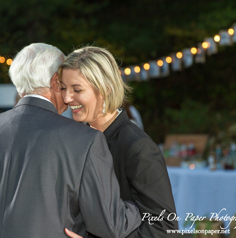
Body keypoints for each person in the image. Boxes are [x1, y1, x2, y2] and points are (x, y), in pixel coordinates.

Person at [0, 43, 142, 238]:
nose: (69, 96)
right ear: (54, 81)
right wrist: (140, 205)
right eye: (65, 83)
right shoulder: (84, 139)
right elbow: (111, 225)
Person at [58, 46, 179, 238]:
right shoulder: (76, 139)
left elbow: (163, 229)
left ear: (105, 90)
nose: (66, 98)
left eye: (77, 89)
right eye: (63, 88)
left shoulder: (138, 147)